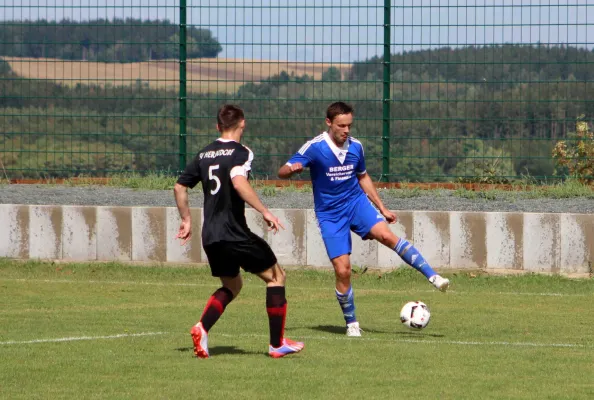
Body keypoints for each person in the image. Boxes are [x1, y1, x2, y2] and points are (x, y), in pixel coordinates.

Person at [277, 101, 450, 337]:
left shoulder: (356, 147)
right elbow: (282, 170)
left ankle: (434, 277)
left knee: (388, 236)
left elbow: (363, 176)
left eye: (349, 125)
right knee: (343, 269)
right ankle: (352, 324)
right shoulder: (315, 147)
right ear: (329, 123)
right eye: (341, 125)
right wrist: (293, 170)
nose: (346, 130)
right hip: (330, 214)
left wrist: (382, 207)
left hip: (356, 203)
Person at [174, 104, 304, 358]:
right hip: (234, 232)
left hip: (210, 236)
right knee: (276, 277)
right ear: (242, 124)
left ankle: (202, 327)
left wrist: (186, 220)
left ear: (217, 126)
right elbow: (238, 181)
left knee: (232, 285)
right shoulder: (241, 152)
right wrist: (265, 211)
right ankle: (277, 344)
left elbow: (180, 187)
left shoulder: (203, 154)